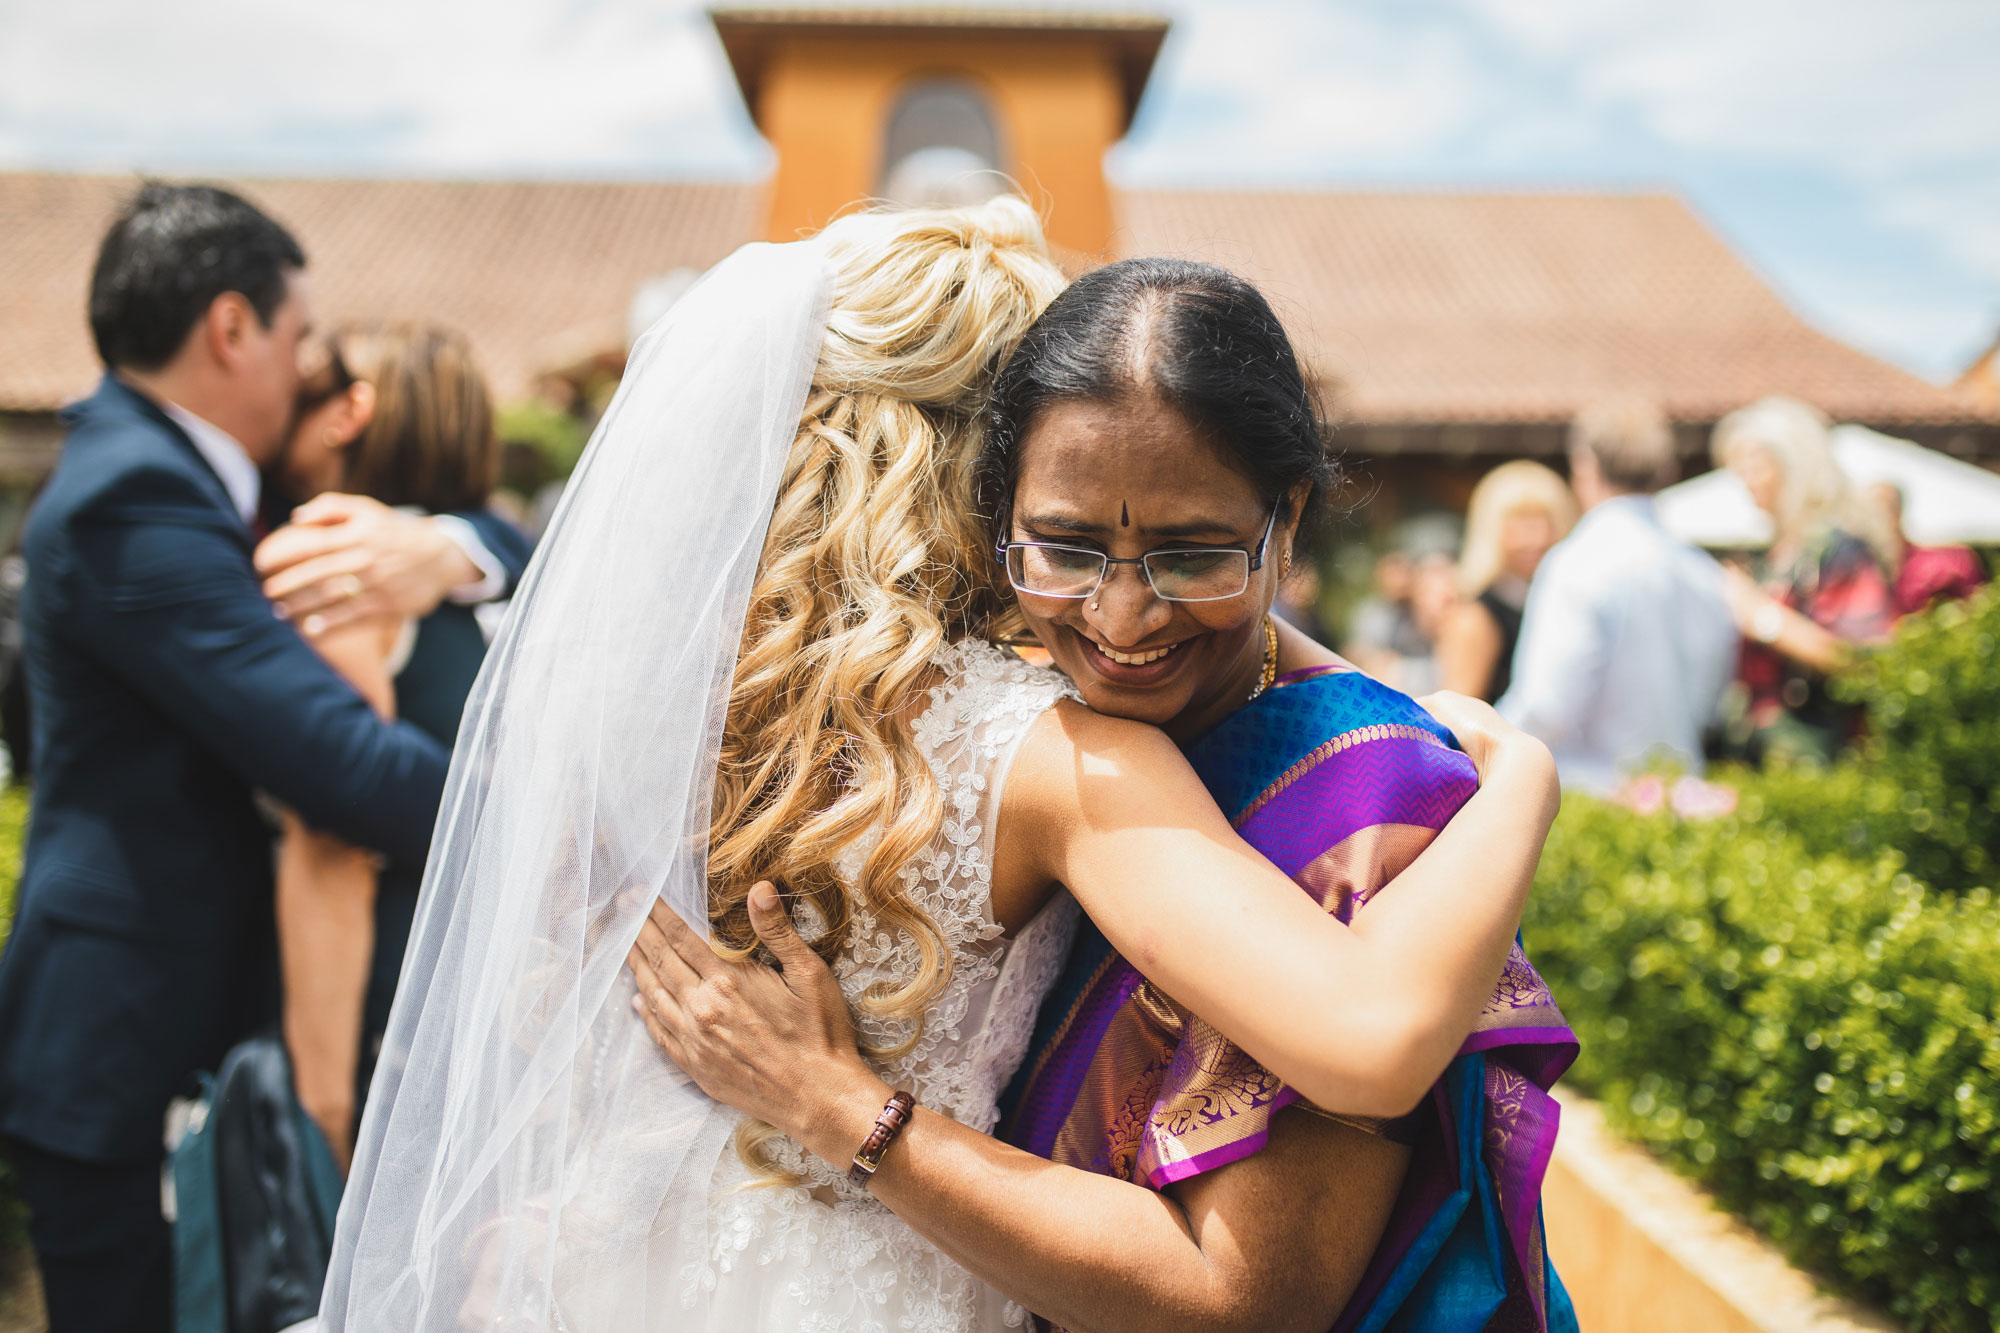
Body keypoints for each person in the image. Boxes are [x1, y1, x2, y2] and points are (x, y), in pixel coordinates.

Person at [322, 205, 1562, 1330]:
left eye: (1189, 552)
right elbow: (1368, 1039)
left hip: (608, 1269)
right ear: (990, 486)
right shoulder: (1047, 754)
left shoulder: (661, 697)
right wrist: (1519, 782)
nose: (1122, 621)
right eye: (1066, 542)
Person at [0, 183, 520, 1333]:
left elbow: (499, 525)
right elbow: (339, 767)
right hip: (125, 1045)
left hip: (198, 1024)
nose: (304, 372)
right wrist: (543, 833)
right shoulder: (134, 498)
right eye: (296, 338)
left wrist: (445, 546)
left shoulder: (210, 485)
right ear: (232, 329)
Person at [271, 322, 526, 1168]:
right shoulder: (515, 584)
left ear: (351, 412)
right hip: (511, 988)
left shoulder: (338, 563)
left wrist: (325, 1102)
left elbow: (332, 840)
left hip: (390, 995)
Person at [1499, 396, 1736, 794]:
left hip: (1595, 796)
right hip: (1682, 791)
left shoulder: (1578, 561)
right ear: (1665, 469)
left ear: (1585, 464)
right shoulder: (1700, 569)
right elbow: (1712, 703)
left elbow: (1546, 707)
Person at [1711, 396, 1896, 762]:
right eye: (1739, 467)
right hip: (1760, 755)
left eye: (1755, 465)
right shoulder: (1770, 554)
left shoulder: (1838, 548)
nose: (1745, 479)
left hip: (1820, 759)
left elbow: (1862, 660)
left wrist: (1760, 617)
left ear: (1795, 464)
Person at [1436, 460, 1577, 702]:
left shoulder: (1554, 602)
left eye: (1547, 520)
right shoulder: (1475, 616)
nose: (1538, 537)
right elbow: (1457, 713)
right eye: (1523, 523)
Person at [1866, 479, 1987, 617]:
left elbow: (1978, 613)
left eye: (1880, 511)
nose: (1872, 522)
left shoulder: (1946, 563)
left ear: (1897, 511)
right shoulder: (1863, 575)